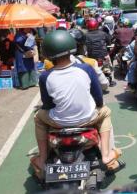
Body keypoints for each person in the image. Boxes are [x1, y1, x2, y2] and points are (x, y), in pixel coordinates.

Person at [31, 30, 124, 179]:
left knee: (38, 118)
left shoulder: (45, 76)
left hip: (58, 122)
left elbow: (47, 105)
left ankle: (42, 158)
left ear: (47, 54)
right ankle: (106, 155)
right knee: (105, 112)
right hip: (87, 119)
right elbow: (98, 99)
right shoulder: (86, 68)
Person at [85, 18, 116, 87]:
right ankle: (111, 81)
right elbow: (109, 41)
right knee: (110, 67)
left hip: (91, 56)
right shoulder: (103, 33)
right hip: (103, 55)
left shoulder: (86, 35)